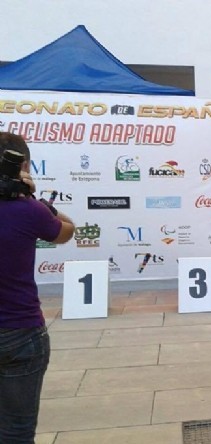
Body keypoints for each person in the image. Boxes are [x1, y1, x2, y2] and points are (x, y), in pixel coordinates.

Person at [0, 132, 75, 443]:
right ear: (24, 166)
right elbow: (67, 231)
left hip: (20, 332)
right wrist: (36, 201)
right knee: (16, 431)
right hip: (21, 332)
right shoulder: (30, 211)